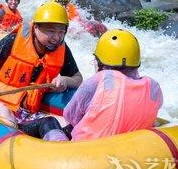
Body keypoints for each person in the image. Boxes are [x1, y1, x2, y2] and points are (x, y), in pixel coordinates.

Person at [0, 1, 82, 127]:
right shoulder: (13, 41)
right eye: (51, 31)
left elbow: (78, 79)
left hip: (25, 111)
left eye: (61, 32)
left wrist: (65, 80)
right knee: (5, 113)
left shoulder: (62, 49)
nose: (57, 37)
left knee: (59, 123)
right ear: (36, 27)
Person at [21, 29, 163, 141]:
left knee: (49, 122)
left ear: (101, 63)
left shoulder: (102, 79)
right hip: (130, 145)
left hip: (88, 151)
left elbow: (70, 115)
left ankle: (15, 129)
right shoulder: (154, 86)